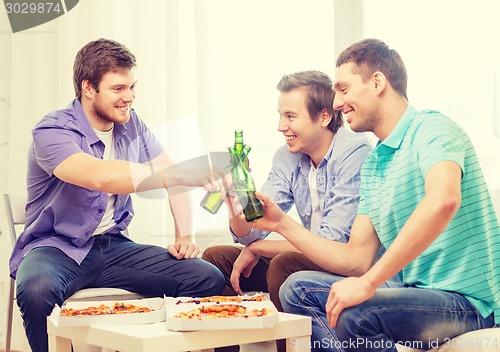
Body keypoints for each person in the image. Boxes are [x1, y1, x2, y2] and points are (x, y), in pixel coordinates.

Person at [243, 38, 500, 352]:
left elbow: (444, 199)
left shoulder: (433, 130)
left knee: (358, 313)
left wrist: (369, 284)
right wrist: (283, 224)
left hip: (467, 304)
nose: (336, 103)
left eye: (344, 89)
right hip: (413, 294)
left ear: (377, 83)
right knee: (297, 288)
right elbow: (356, 259)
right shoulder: (376, 164)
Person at [9, 38, 226, 352]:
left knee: (206, 278)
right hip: (55, 248)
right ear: (88, 88)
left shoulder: (132, 124)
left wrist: (185, 235)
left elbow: (172, 176)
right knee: (36, 288)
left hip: (114, 247)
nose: (129, 98)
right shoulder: (52, 131)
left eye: (132, 87)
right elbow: (101, 176)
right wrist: (179, 173)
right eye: (118, 89)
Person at [202, 70, 372, 352]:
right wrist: (235, 199)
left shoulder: (354, 153)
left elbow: (334, 244)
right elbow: (253, 229)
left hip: (346, 266)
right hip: (310, 256)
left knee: (284, 264)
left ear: (324, 116)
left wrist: (259, 249)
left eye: (290, 116)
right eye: (280, 115)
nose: (281, 126)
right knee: (215, 259)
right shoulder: (288, 156)